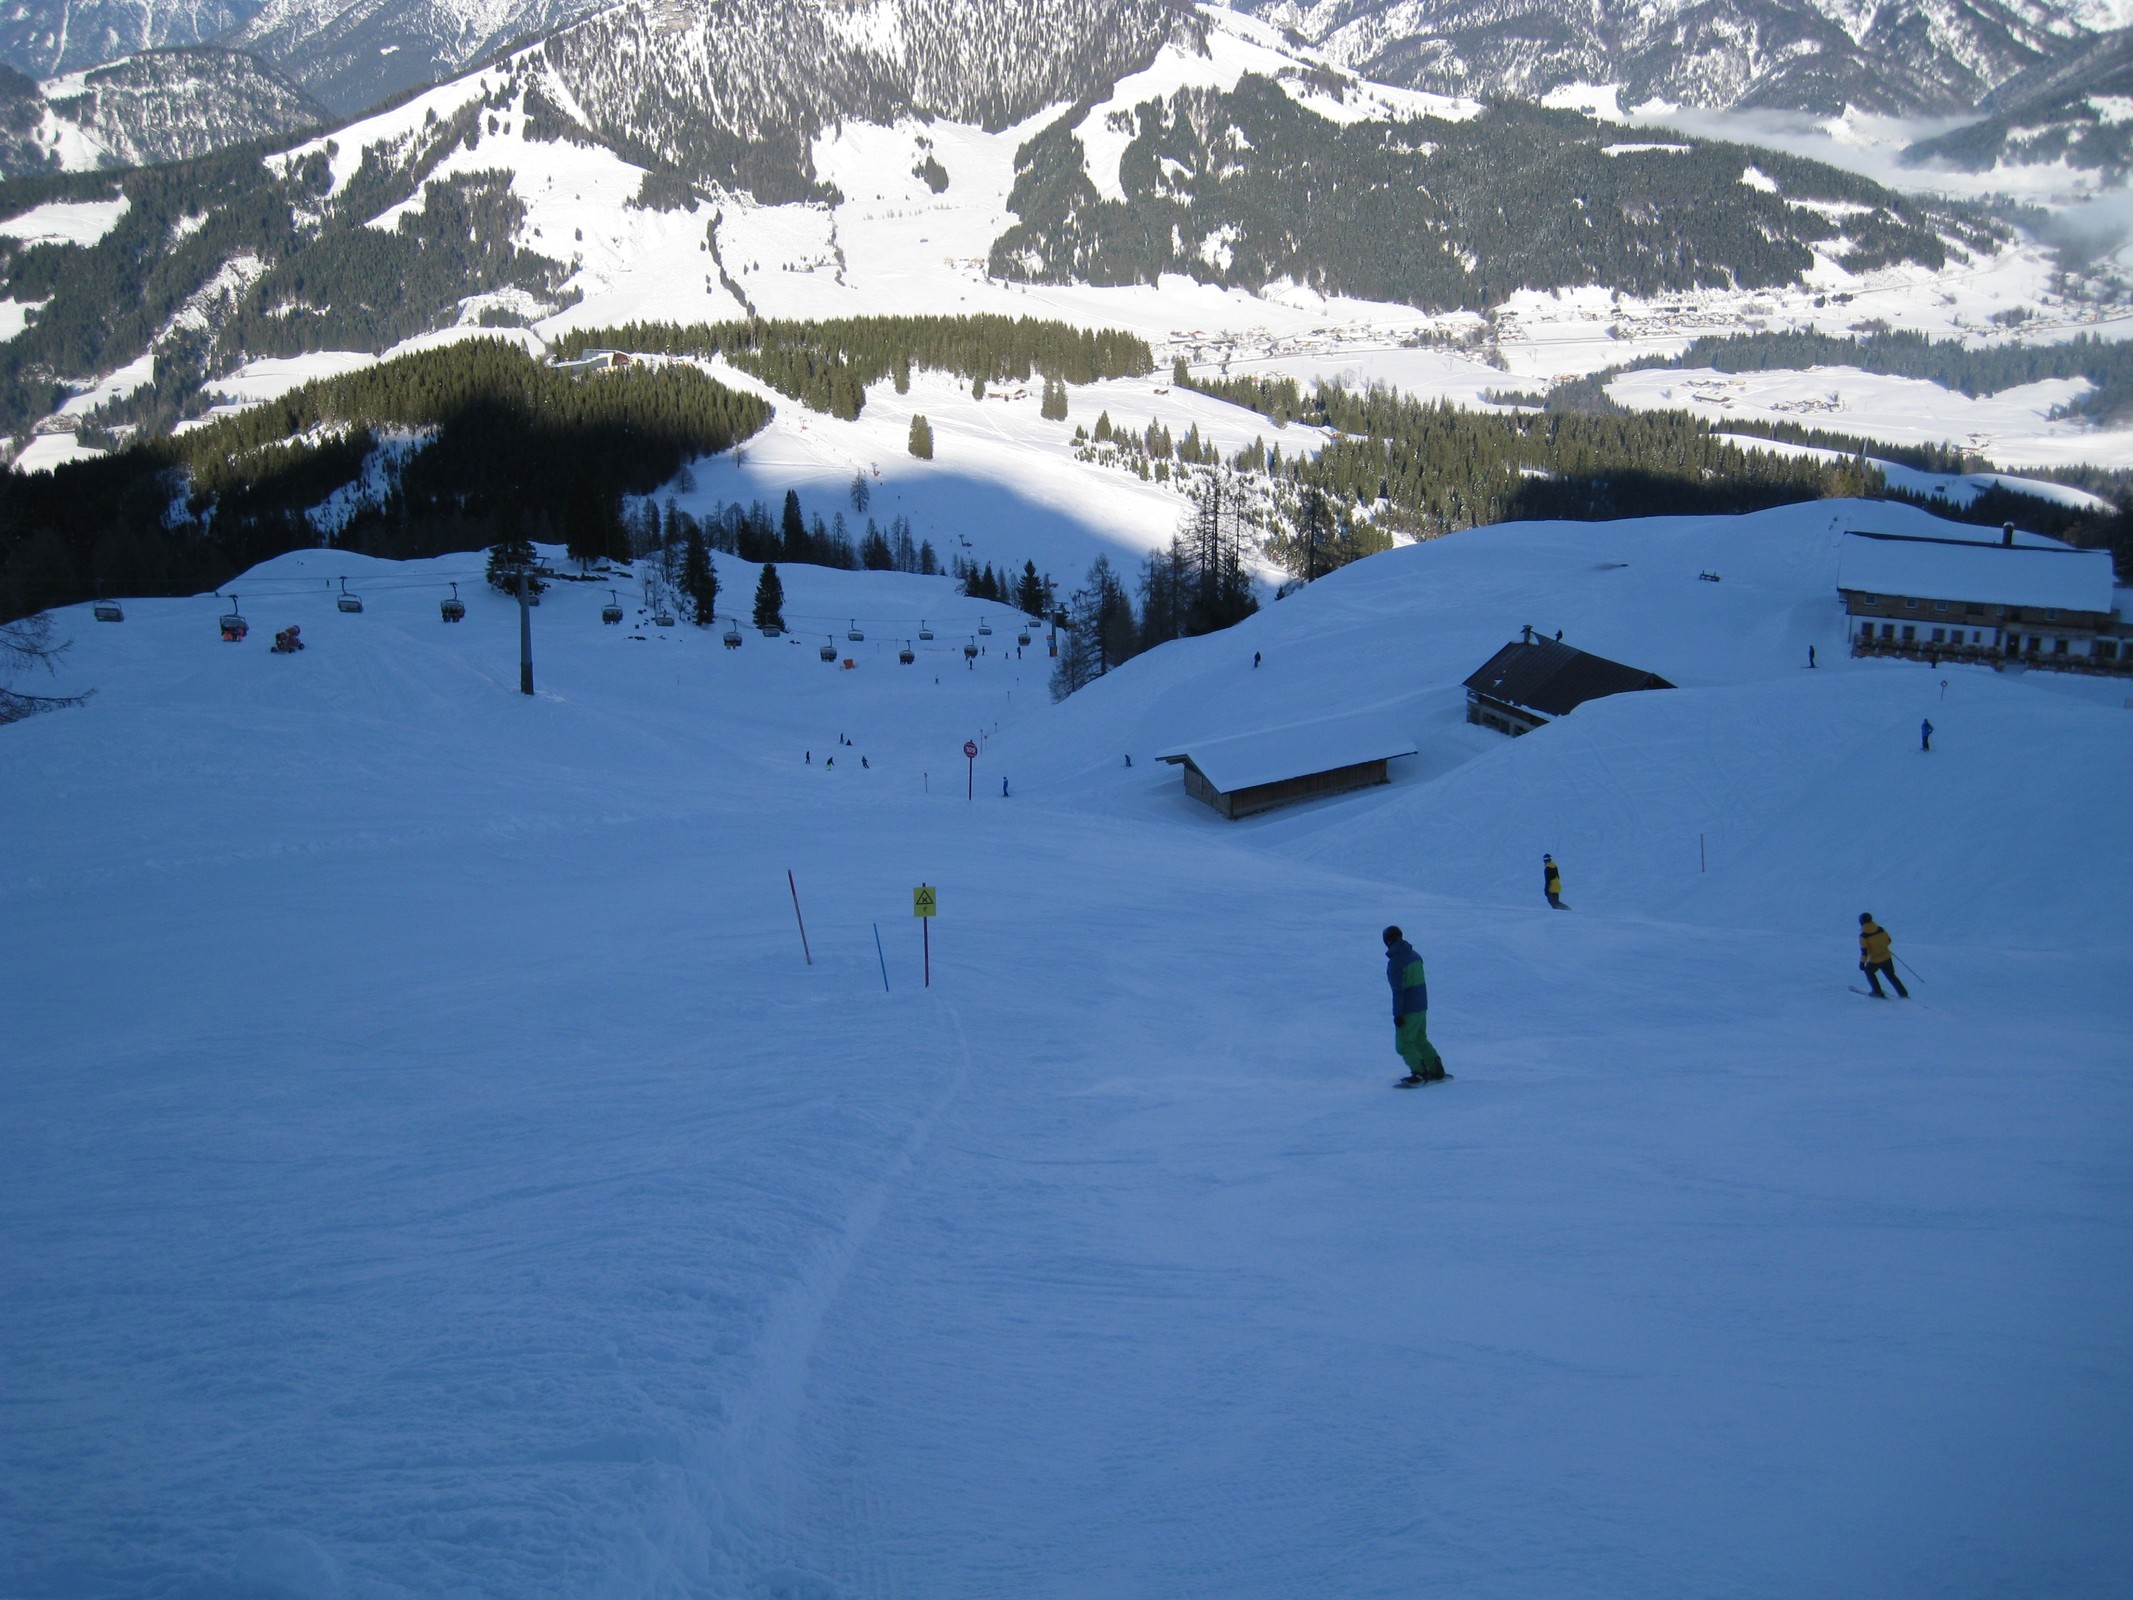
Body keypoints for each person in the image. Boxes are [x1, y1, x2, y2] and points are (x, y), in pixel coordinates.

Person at [1384, 926, 1447, 1084]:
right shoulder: (1415, 956)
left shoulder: (1396, 962)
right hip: (1421, 1006)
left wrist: (1398, 1014)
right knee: (1419, 1039)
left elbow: (1398, 991)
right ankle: (1436, 1068)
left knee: (1404, 1045)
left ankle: (1420, 1072)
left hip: (1408, 1009)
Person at [1858, 913, 1909, 998]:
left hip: (1875, 960)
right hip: (1887, 957)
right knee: (1891, 975)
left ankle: (1877, 991)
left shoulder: (1863, 936)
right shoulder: (1880, 929)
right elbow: (1888, 941)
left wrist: (1862, 963)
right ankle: (1903, 993)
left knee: (1869, 971)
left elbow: (1865, 952)